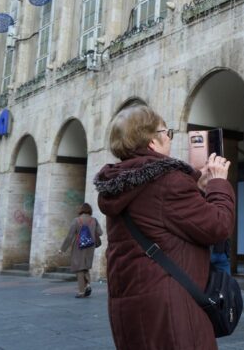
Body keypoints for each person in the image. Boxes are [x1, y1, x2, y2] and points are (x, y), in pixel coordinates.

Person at [95, 105, 235, 350]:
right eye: (166, 132)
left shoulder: (120, 184)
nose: (169, 137)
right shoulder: (167, 182)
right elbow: (218, 226)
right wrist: (218, 184)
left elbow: (163, 222)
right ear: (152, 142)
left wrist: (197, 187)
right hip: (171, 308)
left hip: (132, 306)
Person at [59, 202, 102, 298]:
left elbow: (70, 236)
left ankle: (81, 292)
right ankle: (88, 285)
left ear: (81, 210)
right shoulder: (94, 220)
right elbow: (100, 232)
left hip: (79, 247)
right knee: (85, 266)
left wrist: (62, 249)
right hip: (90, 246)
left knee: (79, 268)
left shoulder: (76, 220)